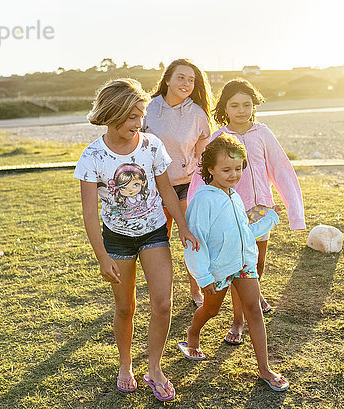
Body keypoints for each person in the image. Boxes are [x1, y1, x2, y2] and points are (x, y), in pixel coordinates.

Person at [74, 78, 199, 402]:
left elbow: (167, 190)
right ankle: (126, 365)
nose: (138, 123)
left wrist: (183, 227)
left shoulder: (151, 146)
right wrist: (102, 256)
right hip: (117, 240)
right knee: (126, 307)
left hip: (154, 231)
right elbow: (89, 214)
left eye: (140, 115)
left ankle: (154, 368)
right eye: (131, 116)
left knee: (163, 302)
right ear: (112, 114)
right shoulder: (92, 156)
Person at [188, 79, 306, 346]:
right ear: (224, 108)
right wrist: (193, 219)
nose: (241, 110)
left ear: (254, 106)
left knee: (256, 265)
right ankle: (238, 322)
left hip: (260, 212)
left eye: (247, 104)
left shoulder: (263, 133)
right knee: (235, 268)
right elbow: (200, 178)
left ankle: (252, 299)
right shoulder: (218, 139)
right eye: (234, 105)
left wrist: (294, 212)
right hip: (228, 217)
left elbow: (282, 169)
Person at [177, 134, 289, 391]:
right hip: (217, 269)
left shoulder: (235, 197)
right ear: (210, 169)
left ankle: (264, 369)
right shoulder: (203, 200)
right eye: (226, 169)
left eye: (238, 168)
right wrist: (203, 277)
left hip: (244, 264)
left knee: (254, 311)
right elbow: (196, 243)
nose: (234, 175)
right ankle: (193, 334)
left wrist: (270, 218)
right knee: (211, 310)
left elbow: (244, 234)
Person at [142, 59, 213, 308]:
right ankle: (161, 293)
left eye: (191, 80)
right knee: (160, 241)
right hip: (152, 187)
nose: (186, 83)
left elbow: (204, 154)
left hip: (186, 184)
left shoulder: (197, 114)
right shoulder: (148, 109)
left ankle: (196, 288)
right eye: (181, 77)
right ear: (168, 79)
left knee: (191, 238)